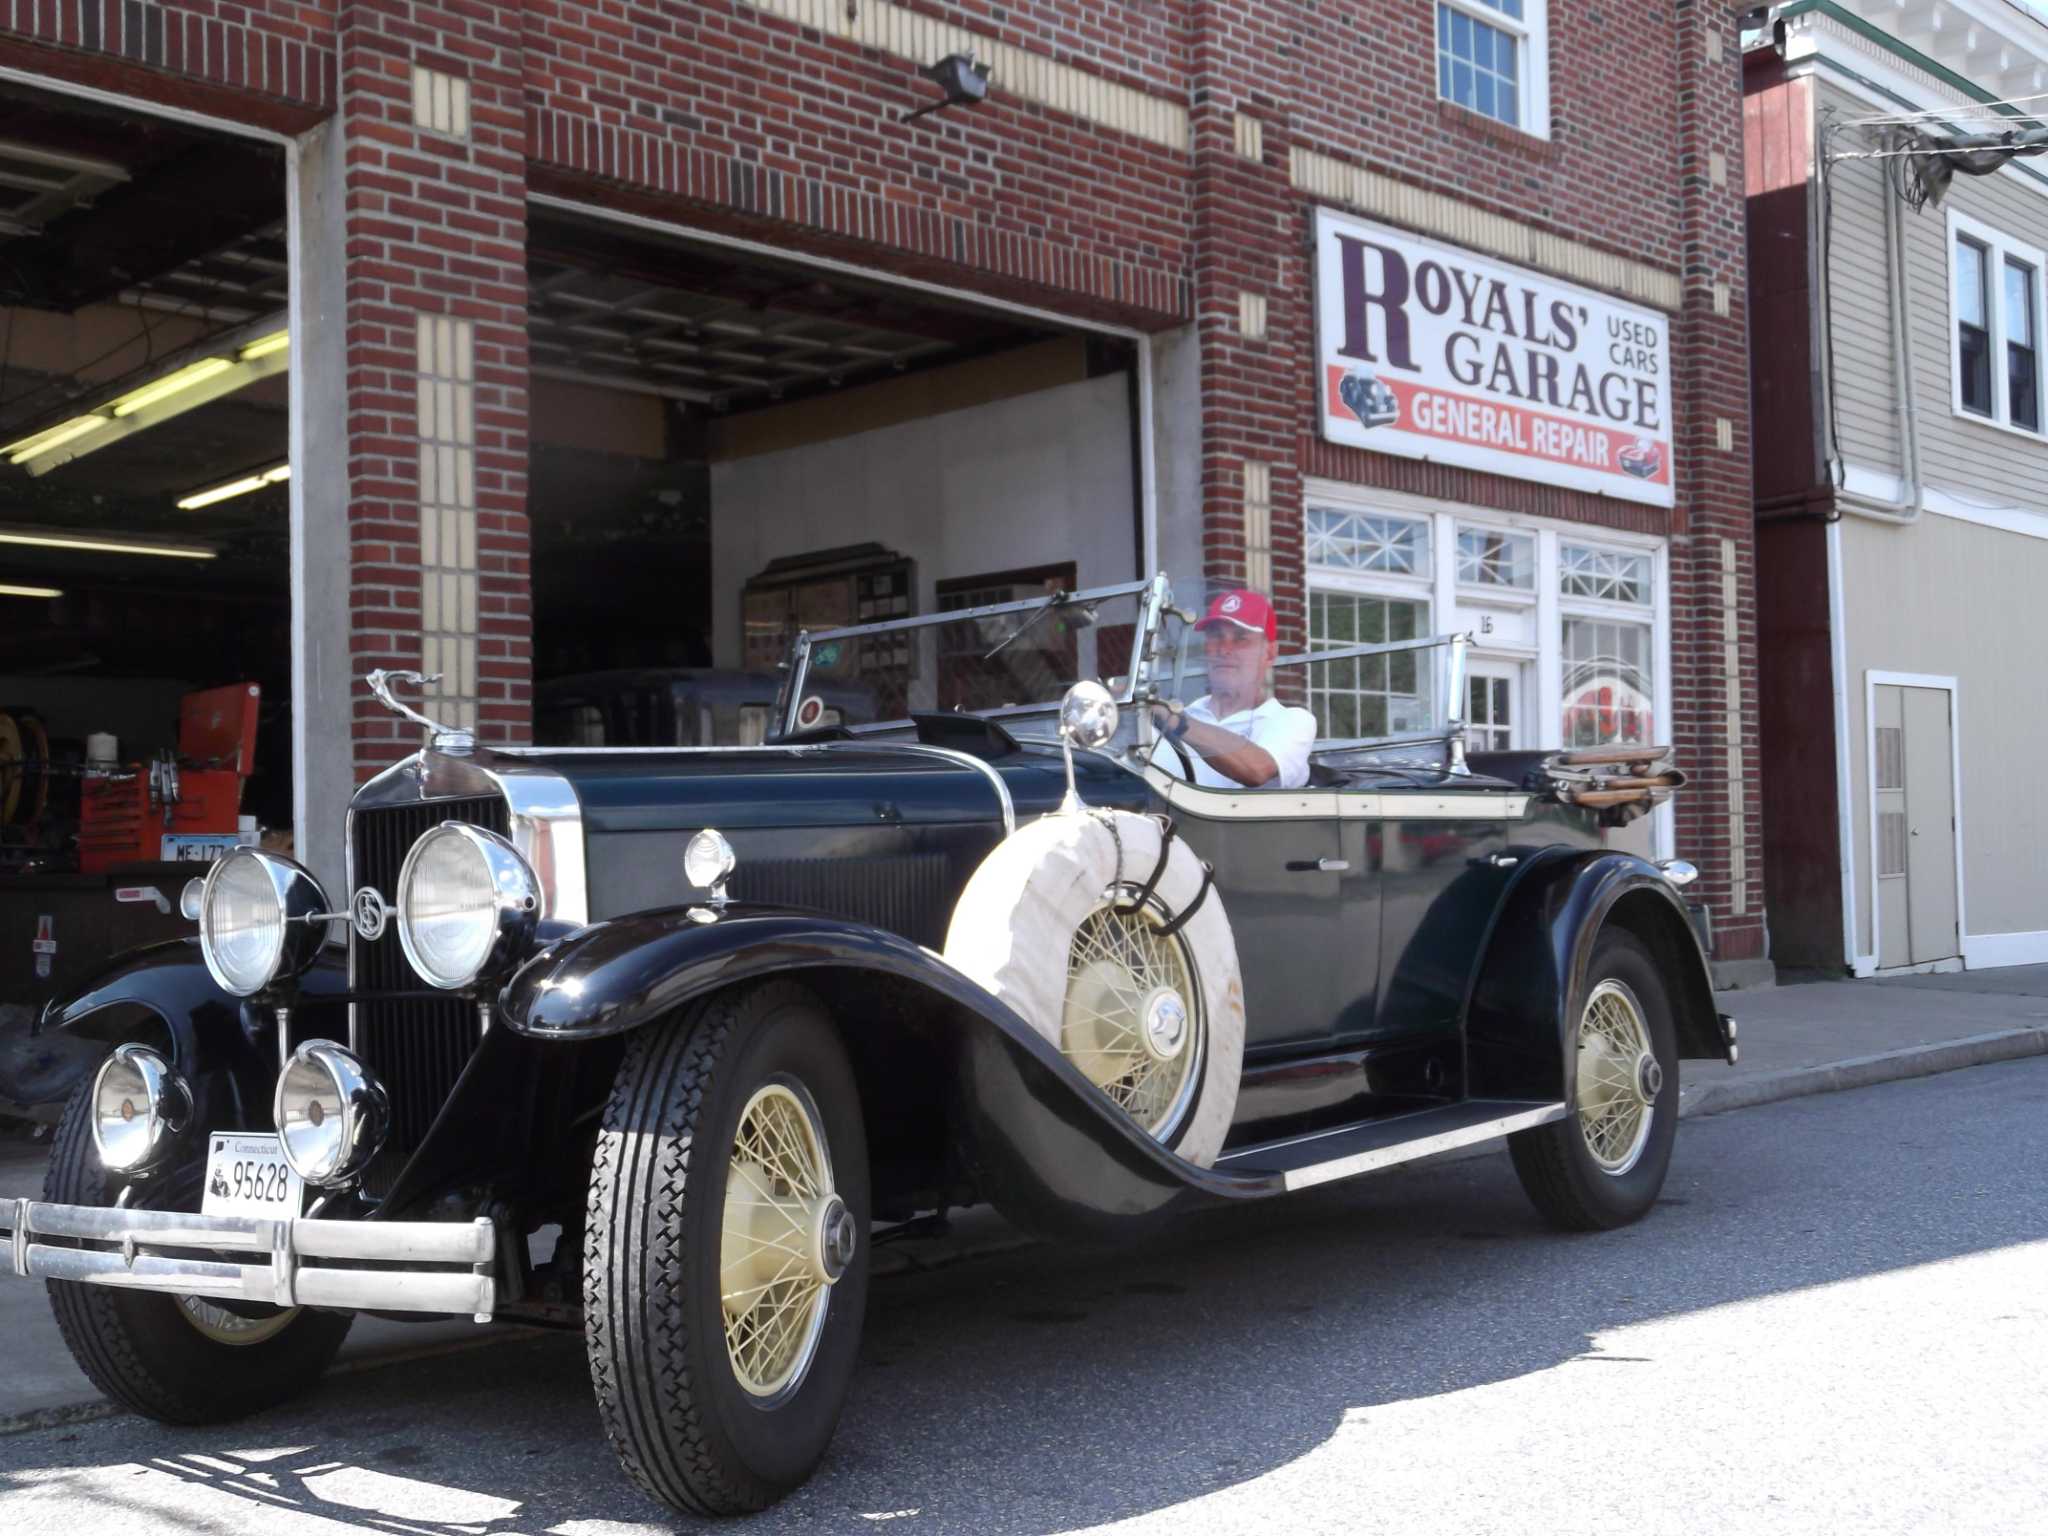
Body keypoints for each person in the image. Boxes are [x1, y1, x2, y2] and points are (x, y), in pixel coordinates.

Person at [1148, 588, 1317, 789]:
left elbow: (1257, 770)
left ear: (1270, 653)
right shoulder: (1182, 715)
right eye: (1216, 637)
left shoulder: (1292, 720)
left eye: (1241, 639)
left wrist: (1176, 721)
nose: (1224, 649)